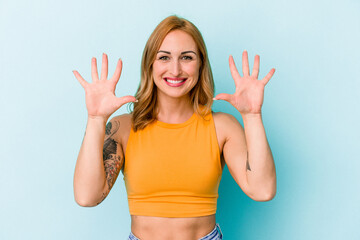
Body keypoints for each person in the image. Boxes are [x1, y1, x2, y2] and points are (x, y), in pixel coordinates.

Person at [73, 15, 276, 240]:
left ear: (200, 63)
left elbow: (262, 190)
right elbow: (87, 197)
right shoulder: (123, 127)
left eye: (187, 57)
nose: (176, 69)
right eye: (164, 57)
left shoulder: (223, 127)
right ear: (150, 64)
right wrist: (95, 120)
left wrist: (252, 115)